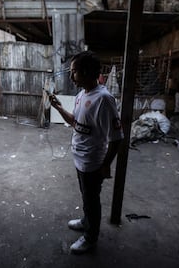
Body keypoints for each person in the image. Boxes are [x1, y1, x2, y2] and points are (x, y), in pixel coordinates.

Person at [49, 51, 124, 254]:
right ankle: (86, 221)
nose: (72, 76)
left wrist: (106, 164)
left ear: (86, 72)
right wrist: (58, 107)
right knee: (86, 196)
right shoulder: (82, 95)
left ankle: (91, 238)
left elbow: (117, 138)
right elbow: (75, 122)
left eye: (74, 72)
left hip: (93, 162)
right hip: (80, 158)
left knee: (92, 200)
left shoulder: (104, 99)